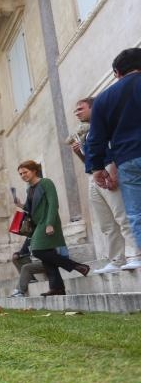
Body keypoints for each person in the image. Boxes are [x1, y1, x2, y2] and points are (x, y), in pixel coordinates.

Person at [85, 47, 141, 269]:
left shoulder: (104, 98)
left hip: (128, 160)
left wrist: (97, 167)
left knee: (136, 212)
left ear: (117, 72)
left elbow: (96, 138)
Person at [69, 97, 139, 274]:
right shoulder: (88, 132)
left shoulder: (105, 124)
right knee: (106, 223)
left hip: (109, 170)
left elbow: (114, 149)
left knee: (122, 215)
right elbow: (90, 161)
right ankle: (116, 260)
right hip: (94, 174)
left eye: (80, 109)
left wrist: (114, 172)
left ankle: (137, 255)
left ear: (93, 108)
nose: (77, 113)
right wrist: (79, 154)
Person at [18, 160, 90, 296]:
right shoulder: (29, 189)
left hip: (48, 222)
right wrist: (20, 205)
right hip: (38, 224)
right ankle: (57, 288)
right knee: (46, 257)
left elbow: (53, 203)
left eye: (25, 172)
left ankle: (77, 266)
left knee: (37, 250)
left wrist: (50, 223)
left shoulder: (46, 183)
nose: (23, 176)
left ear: (34, 170)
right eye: (21, 174)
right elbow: (30, 208)